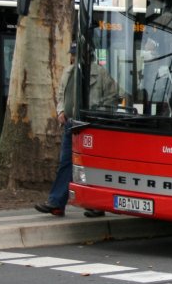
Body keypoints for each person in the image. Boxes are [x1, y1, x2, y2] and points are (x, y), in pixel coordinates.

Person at [36, 42, 119, 217]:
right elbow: (61, 95)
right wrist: (60, 111)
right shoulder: (68, 72)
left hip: (91, 125)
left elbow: (113, 98)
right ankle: (56, 203)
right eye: (72, 54)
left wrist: (96, 112)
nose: (73, 57)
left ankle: (97, 204)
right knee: (66, 164)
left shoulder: (101, 74)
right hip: (70, 124)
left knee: (93, 165)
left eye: (75, 54)